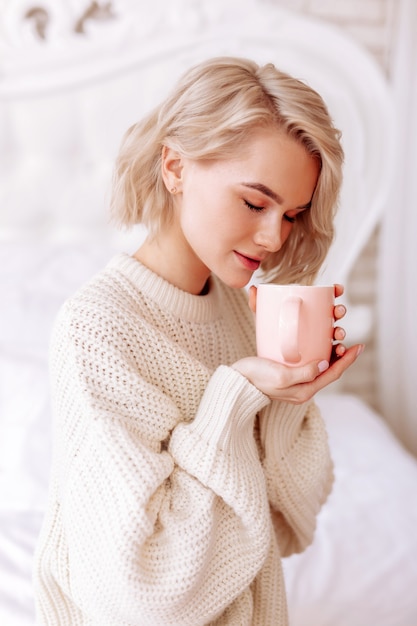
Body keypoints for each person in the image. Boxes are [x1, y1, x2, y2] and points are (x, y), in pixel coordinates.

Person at [33, 56, 363, 625]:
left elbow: (289, 524)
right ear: (175, 167)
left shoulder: (240, 310)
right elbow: (148, 597)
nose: (272, 238)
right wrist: (235, 395)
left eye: (292, 215)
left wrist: (288, 395)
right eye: (255, 203)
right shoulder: (96, 330)